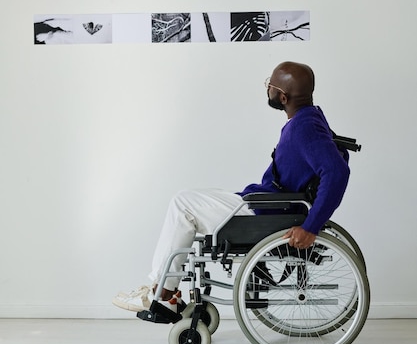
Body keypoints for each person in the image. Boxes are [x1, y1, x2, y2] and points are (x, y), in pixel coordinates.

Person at [112, 61, 350, 314]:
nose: (267, 88)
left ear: (282, 96)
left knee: (182, 205)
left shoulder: (304, 128)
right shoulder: (310, 117)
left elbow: (337, 172)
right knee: (192, 198)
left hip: (268, 210)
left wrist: (310, 227)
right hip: (266, 201)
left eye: (270, 85)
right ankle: (165, 292)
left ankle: (162, 294)